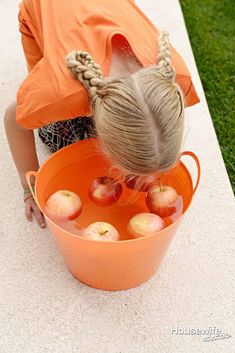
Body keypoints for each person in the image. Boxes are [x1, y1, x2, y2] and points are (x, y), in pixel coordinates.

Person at [4, 0, 200, 228]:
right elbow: (14, 120)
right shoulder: (59, 93)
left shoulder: (177, 79)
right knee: (58, 137)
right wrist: (29, 188)